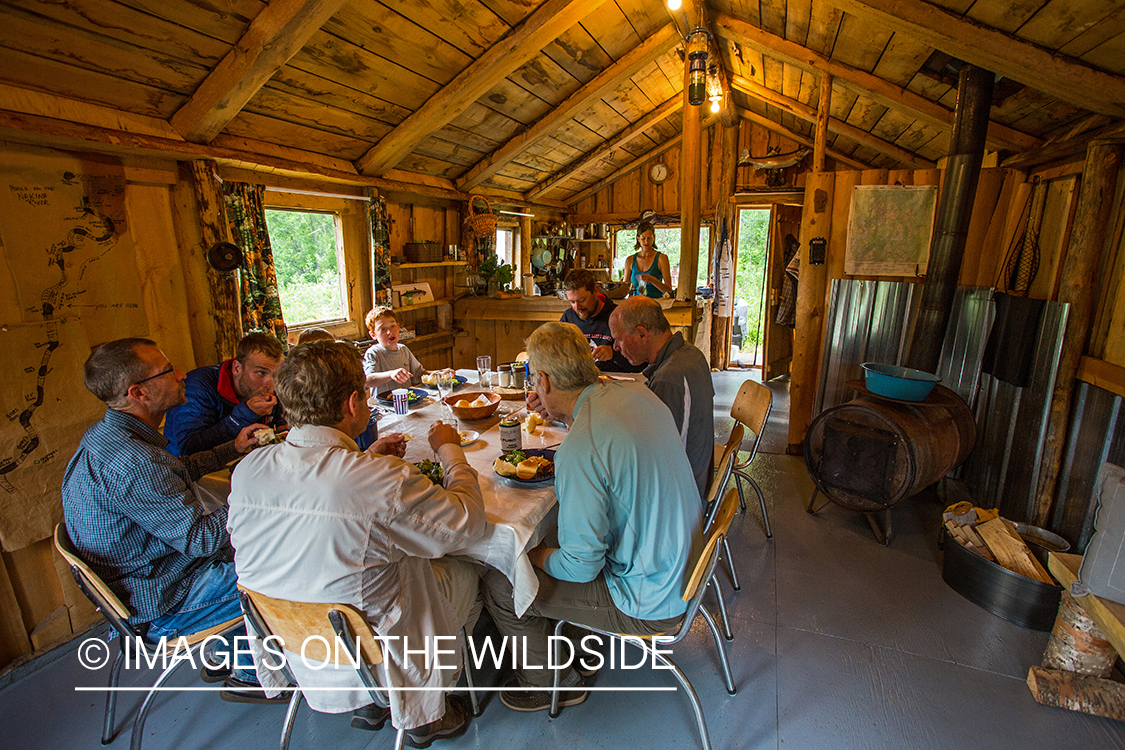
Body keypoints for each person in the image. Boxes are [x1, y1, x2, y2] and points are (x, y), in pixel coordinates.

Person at [227, 340, 486, 746]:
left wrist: (366, 457)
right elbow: (467, 524)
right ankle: (423, 711)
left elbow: (318, 506)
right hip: (377, 646)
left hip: (294, 642)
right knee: (471, 568)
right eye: (365, 394)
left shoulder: (248, 470)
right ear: (352, 403)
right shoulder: (380, 479)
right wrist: (450, 451)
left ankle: (367, 699)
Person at [482, 322, 703, 712]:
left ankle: (553, 682)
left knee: (504, 581)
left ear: (544, 381)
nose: (534, 387)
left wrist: (533, 557)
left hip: (651, 600)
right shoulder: (633, 391)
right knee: (557, 537)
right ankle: (572, 646)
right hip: (683, 563)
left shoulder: (581, 447)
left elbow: (582, 566)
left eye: (534, 379)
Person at [60, 338, 274, 702]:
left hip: (145, 581)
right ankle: (251, 673)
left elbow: (172, 473)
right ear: (138, 391)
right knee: (281, 562)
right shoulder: (134, 462)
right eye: (167, 370)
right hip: (165, 602)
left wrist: (231, 449)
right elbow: (205, 539)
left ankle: (227, 651)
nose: (180, 375)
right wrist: (265, 496)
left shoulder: (111, 436)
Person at [609, 296, 715, 499]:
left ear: (641, 334)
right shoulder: (689, 353)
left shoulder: (670, 378)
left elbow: (658, 459)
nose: (616, 347)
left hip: (681, 499)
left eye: (619, 339)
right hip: (695, 474)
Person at [163, 332, 285, 457]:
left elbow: (281, 427)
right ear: (237, 368)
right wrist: (247, 413)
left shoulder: (270, 387)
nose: (269, 384)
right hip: (185, 472)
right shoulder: (198, 386)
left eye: (276, 375)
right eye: (260, 373)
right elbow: (190, 448)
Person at [559, 269, 643, 373]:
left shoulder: (619, 317)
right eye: (572, 302)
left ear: (595, 290)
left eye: (582, 300)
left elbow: (640, 365)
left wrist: (613, 355)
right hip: (580, 382)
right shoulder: (568, 318)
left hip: (616, 382)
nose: (577, 307)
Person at [363, 306, 430, 395]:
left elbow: (419, 374)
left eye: (392, 326)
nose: (389, 332)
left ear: (398, 327)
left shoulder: (403, 350)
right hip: (384, 406)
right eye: (383, 329)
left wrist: (440, 373)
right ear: (373, 335)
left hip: (405, 402)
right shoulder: (373, 353)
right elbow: (368, 381)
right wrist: (391, 374)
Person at [623, 220, 673, 298]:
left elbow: (669, 289)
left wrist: (653, 280)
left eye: (649, 238)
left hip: (656, 304)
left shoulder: (661, 258)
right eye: (643, 238)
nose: (646, 241)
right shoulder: (630, 260)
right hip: (637, 304)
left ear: (654, 237)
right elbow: (624, 288)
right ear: (638, 238)